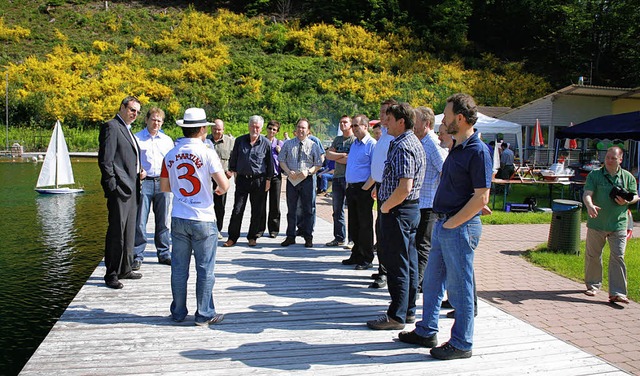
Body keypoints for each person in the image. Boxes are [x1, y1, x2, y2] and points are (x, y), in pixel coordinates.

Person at [398, 93, 491, 361]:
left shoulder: (478, 151)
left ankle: (462, 343)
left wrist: (452, 223)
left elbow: (481, 197)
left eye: (447, 116)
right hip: (445, 224)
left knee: (459, 289)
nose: (444, 120)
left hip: (457, 227)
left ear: (460, 119)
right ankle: (427, 330)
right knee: (433, 282)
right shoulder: (458, 147)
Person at [160, 107, 230, 325]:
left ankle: (178, 312)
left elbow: (165, 187)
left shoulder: (170, 154)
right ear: (201, 129)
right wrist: (216, 190)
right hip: (203, 217)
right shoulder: (208, 152)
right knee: (205, 269)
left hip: (179, 216)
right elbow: (224, 185)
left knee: (179, 269)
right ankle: (204, 314)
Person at [366, 102, 425, 331]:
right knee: (408, 262)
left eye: (389, 120)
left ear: (401, 122)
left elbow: (404, 187)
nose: (385, 124)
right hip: (407, 209)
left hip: (399, 210)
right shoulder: (411, 142)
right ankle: (407, 310)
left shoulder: (403, 146)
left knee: (397, 263)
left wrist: (385, 207)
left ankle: (396, 315)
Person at [98, 96, 144, 289]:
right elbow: (106, 161)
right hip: (120, 190)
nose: (135, 114)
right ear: (122, 107)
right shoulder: (112, 126)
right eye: (132, 109)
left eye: (138, 112)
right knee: (116, 232)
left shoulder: (127, 129)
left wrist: (138, 172)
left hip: (132, 187)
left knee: (129, 231)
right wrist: (112, 187)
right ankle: (111, 274)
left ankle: (125, 268)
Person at [583, 146, 638, 304]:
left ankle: (618, 293)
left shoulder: (627, 177)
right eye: (607, 157)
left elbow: (635, 195)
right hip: (597, 223)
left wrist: (628, 200)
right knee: (593, 256)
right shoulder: (595, 175)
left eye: (613, 158)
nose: (609, 160)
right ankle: (593, 285)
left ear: (620, 159)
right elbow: (587, 193)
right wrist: (590, 205)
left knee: (618, 257)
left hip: (619, 224)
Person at [132, 107, 174, 270]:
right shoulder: (137, 138)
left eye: (159, 120)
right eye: (153, 119)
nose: (156, 123)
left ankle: (163, 253)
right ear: (147, 120)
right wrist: (138, 171)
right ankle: (137, 255)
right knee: (140, 221)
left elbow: (171, 162)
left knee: (163, 220)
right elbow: (132, 160)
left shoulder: (167, 140)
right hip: (145, 182)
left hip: (163, 182)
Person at [362, 99, 398, 289]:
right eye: (381, 111)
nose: (382, 115)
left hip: (390, 189)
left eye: (385, 112)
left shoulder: (393, 137)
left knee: (386, 232)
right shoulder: (384, 134)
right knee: (380, 229)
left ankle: (386, 272)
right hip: (381, 186)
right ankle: (383, 268)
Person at [223, 115, 273, 247]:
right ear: (248, 126)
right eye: (252, 126)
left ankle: (253, 236)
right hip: (242, 180)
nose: (255, 129)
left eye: (257, 127)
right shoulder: (240, 141)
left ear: (261, 128)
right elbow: (234, 158)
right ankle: (232, 237)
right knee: (237, 209)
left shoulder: (266, 143)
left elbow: (270, 163)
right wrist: (232, 171)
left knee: (257, 211)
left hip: (259, 181)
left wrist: (268, 180)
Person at [413, 106, 447, 290]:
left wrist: (439, 197)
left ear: (426, 123)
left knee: (423, 245)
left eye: (415, 121)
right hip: (421, 201)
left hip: (430, 203)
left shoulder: (433, 144)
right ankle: (419, 280)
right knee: (419, 243)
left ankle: (420, 283)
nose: (413, 125)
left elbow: (445, 171)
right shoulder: (422, 142)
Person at [279, 118, 323, 247]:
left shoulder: (313, 145)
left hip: (307, 180)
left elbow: (318, 163)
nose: (300, 130)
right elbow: (281, 160)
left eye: (303, 128)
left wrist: (309, 171)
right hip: (292, 180)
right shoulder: (288, 144)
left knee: (308, 209)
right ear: (295, 129)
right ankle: (290, 236)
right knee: (291, 209)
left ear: (308, 130)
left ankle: (308, 236)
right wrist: (287, 171)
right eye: (299, 127)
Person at [343, 115, 376, 270]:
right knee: (354, 224)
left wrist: (366, 188)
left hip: (364, 188)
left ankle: (367, 257)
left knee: (365, 225)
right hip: (352, 188)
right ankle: (356, 253)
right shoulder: (354, 144)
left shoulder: (371, 145)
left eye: (357, 125)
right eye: (353, 126)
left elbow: (375, 170)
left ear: (366, 126)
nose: (354, 128)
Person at [325, 115, 355, 247]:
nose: (342, 125)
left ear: (351, 124)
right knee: (337, 209)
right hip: (337, 178)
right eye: (341, 122)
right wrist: (342, 155)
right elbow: (328, 155)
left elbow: (351, 159)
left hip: (350, 178)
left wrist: (337, 156)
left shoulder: (354, 140)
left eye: (345, 122)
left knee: (352, 210)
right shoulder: (337, 139)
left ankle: (352, 239)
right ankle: (339, 237)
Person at [205, 119, 235, 239]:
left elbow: (234, 157)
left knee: (220, 205)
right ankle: (206, 228)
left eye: (219, 129)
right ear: (211, 129)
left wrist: (231, 171)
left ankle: (217, 229)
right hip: (206, 178)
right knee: (206, 204)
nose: (217, 131)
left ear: (223, 129)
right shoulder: (204, 140)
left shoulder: (230, 142)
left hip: (222, 178)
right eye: (214, 129)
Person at [260, 119, 284, 238]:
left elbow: (284, 161)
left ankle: (273, 230)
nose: (271, 131)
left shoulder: (280, 143)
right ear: (266, 128)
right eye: (270, 128)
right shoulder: (260, 141)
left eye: (274, 129)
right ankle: (259, 229)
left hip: (275, 177)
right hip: (263, 177)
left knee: (275, 204)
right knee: (261, 203)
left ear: (277, 131)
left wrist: (280, 152)